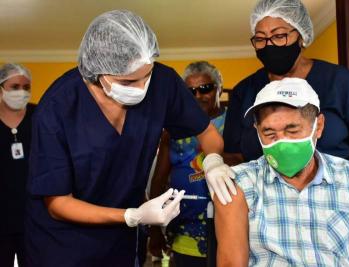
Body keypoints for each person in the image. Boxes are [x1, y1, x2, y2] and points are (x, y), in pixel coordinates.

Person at [24, 10, 234, 267]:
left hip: (122, 243)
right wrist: (132, 215)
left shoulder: (162, 82)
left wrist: (212, 161)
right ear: (96, 73)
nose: (142, 87)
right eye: (128, 81)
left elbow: (208, 132)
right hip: (63, 245)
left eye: (147, 75)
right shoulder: (57, 108)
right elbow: (57, 203)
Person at [215, 77, 349, 267]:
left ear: (318, 126)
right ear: (257, 131)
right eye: (269, 134)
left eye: (292, 130)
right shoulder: (240, 183)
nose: (281, 143)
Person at [222, 0, 349, 205]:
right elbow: (232, 155)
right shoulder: (244, 92)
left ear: (301, 36)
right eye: (260, 39)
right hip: (267, 204)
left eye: (279, 36)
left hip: (334, 198)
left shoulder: (339, 82)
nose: (269, 45)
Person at [149, 61, 226, 267]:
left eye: (205, 88)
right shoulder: (172, 131)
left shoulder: (233, 124)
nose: (198, 96)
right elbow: (158, 181)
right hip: (184, 234)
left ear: (218, 88)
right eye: (190, 91)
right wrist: (154, 230)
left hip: (227, 231)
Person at [0, 63, 34, 267]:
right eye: (15, 86)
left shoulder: (40, 117)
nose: (21, 92)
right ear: (1, 88)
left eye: (26, 87)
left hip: (34, 216)